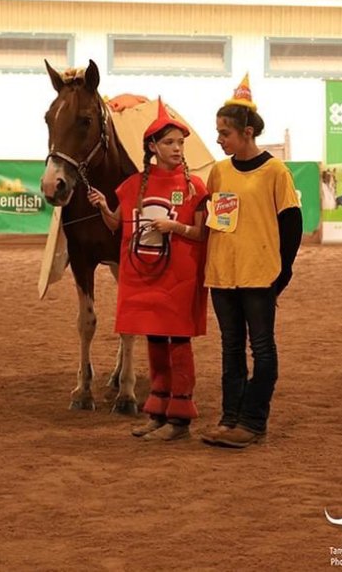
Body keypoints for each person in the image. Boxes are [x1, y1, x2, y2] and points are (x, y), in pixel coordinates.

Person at [88, 98, 209, 441]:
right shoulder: (132, 186)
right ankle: (158, 411)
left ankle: (180, 418)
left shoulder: (195, 187)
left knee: (179, 343)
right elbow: (117, 225)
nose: (177, 148)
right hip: (146, 279)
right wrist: (103, 207)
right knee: (155, 341)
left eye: (180, 142)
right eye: (169, 142)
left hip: (179, 280)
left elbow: (202, 233)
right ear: (152, 147)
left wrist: (176, 228)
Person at [200, 74, 302, 449]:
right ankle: (230, 418)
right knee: (230, 349)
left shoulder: (275, 171)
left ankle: (253, 422)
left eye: (224, 132)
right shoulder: (219, 172)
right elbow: (213, 218)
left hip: (259, 276)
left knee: (262, 349)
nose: (219, 139)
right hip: (222, 274)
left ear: (247, 132)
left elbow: (292, 224)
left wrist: (282, 273)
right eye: (218, 132)